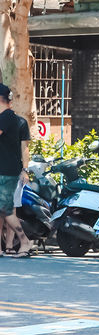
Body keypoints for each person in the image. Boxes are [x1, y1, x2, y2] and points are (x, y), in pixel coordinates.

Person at [0, 84, 31, 257]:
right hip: (11, 171)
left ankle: (24, 241)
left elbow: (24, 148)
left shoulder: (4, 118)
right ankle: (10, 245)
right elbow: (23, 148)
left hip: (5, 172)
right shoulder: (15, 119)